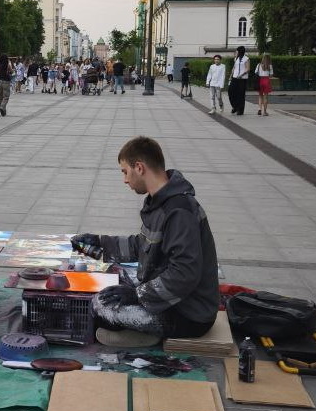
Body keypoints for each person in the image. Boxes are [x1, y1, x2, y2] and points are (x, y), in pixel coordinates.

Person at [71, 135, 220, 346]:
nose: (124, 180)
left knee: (100, 306)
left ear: (139, 167)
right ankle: (141, 332)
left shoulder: (178, 211)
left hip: (190, 314)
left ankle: (148, 335)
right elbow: (142, 245)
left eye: (125, 172)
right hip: (172, 301)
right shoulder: (160, 201)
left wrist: (137, 295)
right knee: (112, 288)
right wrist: (99, 243)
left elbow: (185, 273)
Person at [228, 45, 250, 115]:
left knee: (240, 94)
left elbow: (248, 69)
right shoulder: (236, 59)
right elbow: (234, 68)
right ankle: (235, 106)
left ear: (240, 52)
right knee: (230, 91)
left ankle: (240, 110)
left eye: (237, 51)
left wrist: (241, 75)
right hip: (234, 78)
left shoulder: (246, 59)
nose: (236, 52)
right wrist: (230, 76)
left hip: (242, 79)